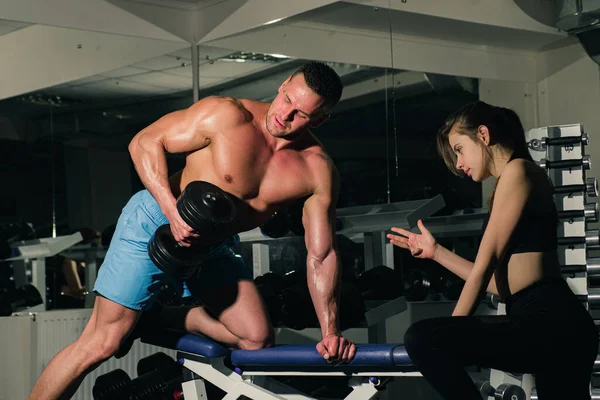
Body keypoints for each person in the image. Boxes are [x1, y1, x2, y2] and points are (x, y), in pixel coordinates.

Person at [29, 61, 356, 400]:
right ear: (283, 83)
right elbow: (144, 141)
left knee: (257, 339)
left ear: (320, 119)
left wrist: (330, 331)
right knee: (101, 344)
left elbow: (322, 254)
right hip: (157, 220)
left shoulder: (317, 171)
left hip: (211, 248)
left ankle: (165, 317)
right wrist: (172, 212)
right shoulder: (227, 115)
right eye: (287, 98)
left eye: (300, 114)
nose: (284, 115)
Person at [388, 101, 598, 400]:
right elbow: (493, 283)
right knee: (428, 338)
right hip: (547, 323)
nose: (459, 164)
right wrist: (436, 253)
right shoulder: (512, 179)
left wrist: (451, 332)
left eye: (459, 149)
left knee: (423, 338)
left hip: (552, 321)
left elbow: (485, 265)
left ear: (483, 135)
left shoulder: (518, 171)